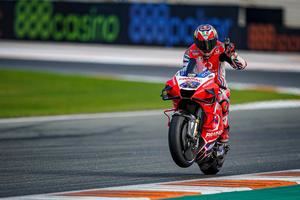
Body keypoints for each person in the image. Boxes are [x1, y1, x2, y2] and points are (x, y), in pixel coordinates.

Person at [183, 24, 247, 144]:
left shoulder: (222, 48)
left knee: (223, 100)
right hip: (198, 86)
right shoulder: (190, 52)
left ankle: (224, 129)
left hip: (218, 87)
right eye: (202, 44)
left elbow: (242, 66)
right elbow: (186, 72)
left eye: (210, 43)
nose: (206, 48)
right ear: (196, 41)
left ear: (215, 40)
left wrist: (232, 54)